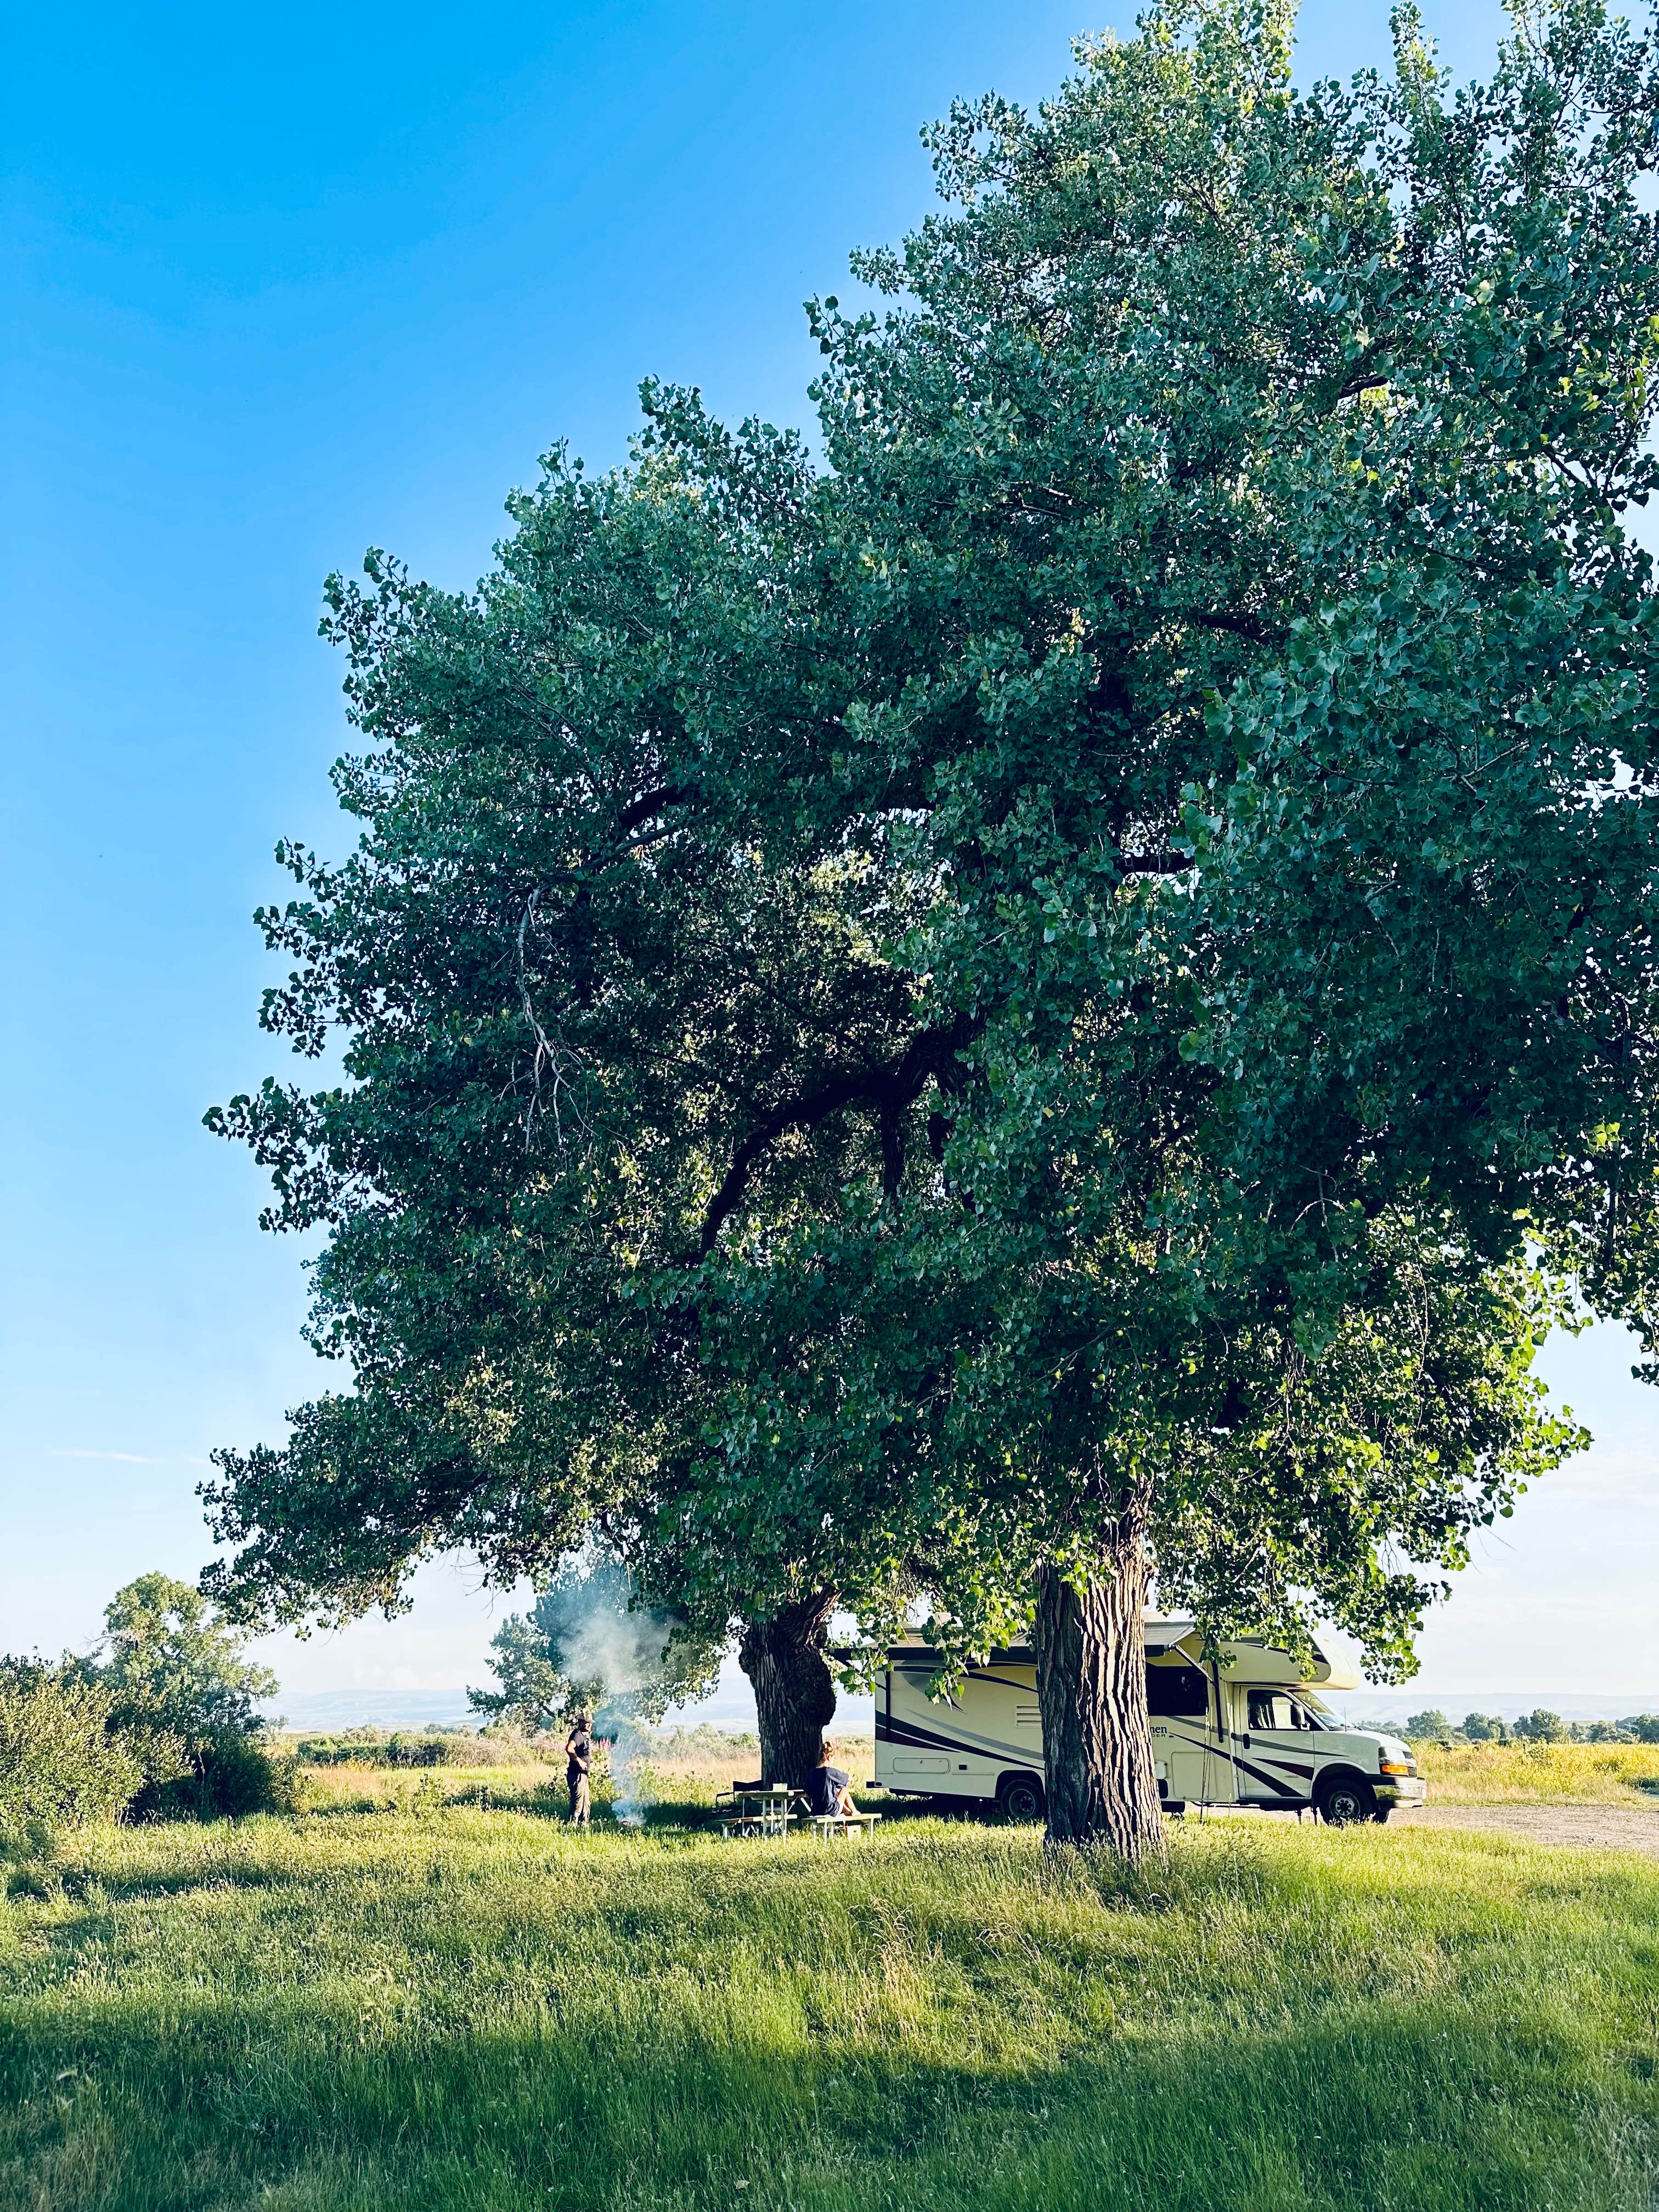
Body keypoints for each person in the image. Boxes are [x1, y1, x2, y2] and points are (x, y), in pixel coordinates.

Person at [803, 1745, 855, 1820]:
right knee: (844, 1789)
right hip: (831, 1811)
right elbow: (846, 1779)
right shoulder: (829, 1772)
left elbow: (807, 1791)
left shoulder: (812, 1773)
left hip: (816, 1811)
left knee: (836, 1791)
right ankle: (855, 1811)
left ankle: (846, 1811)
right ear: (830, 1757)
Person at [565, 1713, 592, 1827]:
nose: (589, 1725)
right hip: (577, 1774)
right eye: (587, 1722)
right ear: (581, 1722)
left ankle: (584, 1824)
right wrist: (579, 1761)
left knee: (586, 1802)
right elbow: (569, 1748)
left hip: (583, 1774)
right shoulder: (577, 1734)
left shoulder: (584, 1736)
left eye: (590, 1723)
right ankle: (572, 1825)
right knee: (578, 1801)